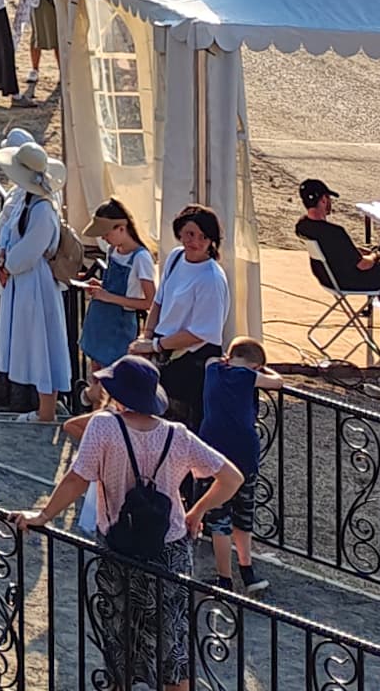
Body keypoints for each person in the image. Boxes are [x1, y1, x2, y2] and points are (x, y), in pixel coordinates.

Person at [18, 356, 240, 691]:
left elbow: (77, 478)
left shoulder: (104, 427)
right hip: (170, 549)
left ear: (118, 394)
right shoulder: (177, 435)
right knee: (174, 641)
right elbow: (231, 478)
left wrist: (43, 516)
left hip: (119, 548)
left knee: (118, 636)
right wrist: (196, 513)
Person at [0, 132, 73, 426]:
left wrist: (8, 263)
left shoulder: (43, 209)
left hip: (35, 284)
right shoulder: (30, 201)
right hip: (24, 282)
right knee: (34, 342)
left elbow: (30, 251)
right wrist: (5, 259)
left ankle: (46, 409)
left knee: (42, 343)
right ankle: (43, 408)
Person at [293, 178, 380, 341]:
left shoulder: (302, 226)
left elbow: (336, 250)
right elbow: (363, 264)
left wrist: (363, 252)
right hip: (350, 279)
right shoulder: (335, 232)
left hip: (328, 277)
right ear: (323, 200)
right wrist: (377, 254)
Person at [195, 341, 268, 588]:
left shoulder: (212, 370)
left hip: (212, 453)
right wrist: (263, 372)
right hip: (245, 453)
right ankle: (247, 570)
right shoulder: (248, 377)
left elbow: (211, 359)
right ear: (255, 366)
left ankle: (224, 578)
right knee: (243, 514)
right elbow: (278, 382)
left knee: (219, 520)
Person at [152, 205, 233, 424]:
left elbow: (201, 333)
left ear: (211, 240)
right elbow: (159, 300)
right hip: (165, 352)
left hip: (191, 363)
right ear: (180, 232)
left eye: (203, 237)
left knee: (181, 424)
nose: (195, 242)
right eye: (189, 234)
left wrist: (155, 345)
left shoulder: (211, 279)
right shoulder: (176, 257)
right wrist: (147, 336)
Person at [80, 202, 158, 378]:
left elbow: (150, 302)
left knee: (115, 377)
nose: (104, 238)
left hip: (119, 327)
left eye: (107, 233)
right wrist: (100, 286)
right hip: (99, 321)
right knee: (96, 374)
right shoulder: (112, 250)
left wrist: (108, 297)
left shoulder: (141, 258)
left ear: (122, 228)